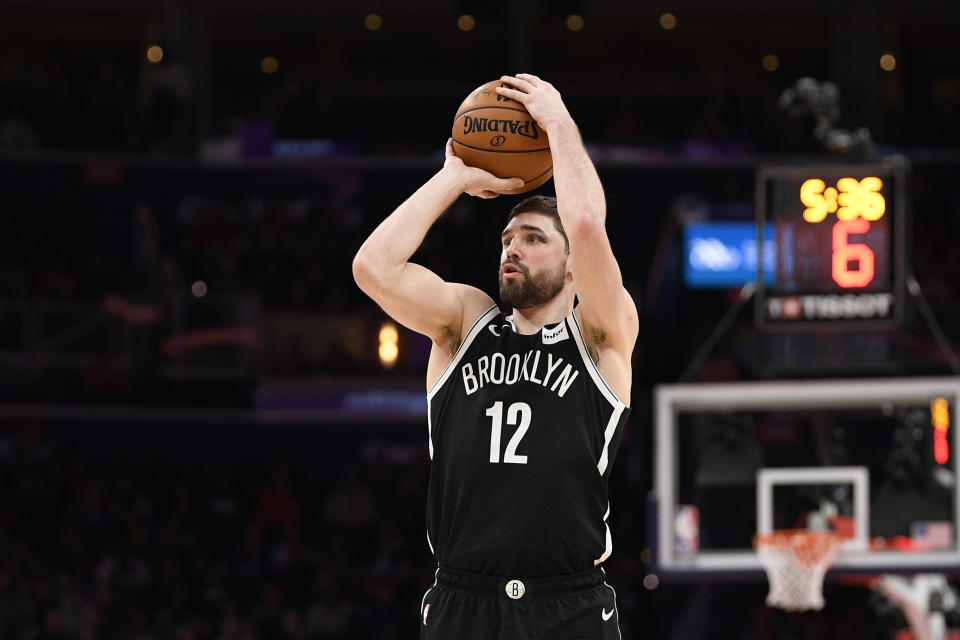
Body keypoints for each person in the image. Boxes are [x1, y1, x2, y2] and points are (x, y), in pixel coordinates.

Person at [353, 73, 638, 640]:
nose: (513, 249)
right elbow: (373, 268)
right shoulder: (466, 323)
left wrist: (556, 121)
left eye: (533, 238)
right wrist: (453, 175)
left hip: (570, 603)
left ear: (573, 264)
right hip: (464, 598)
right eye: (508, 239)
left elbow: (584, 223)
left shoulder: (600, 336)